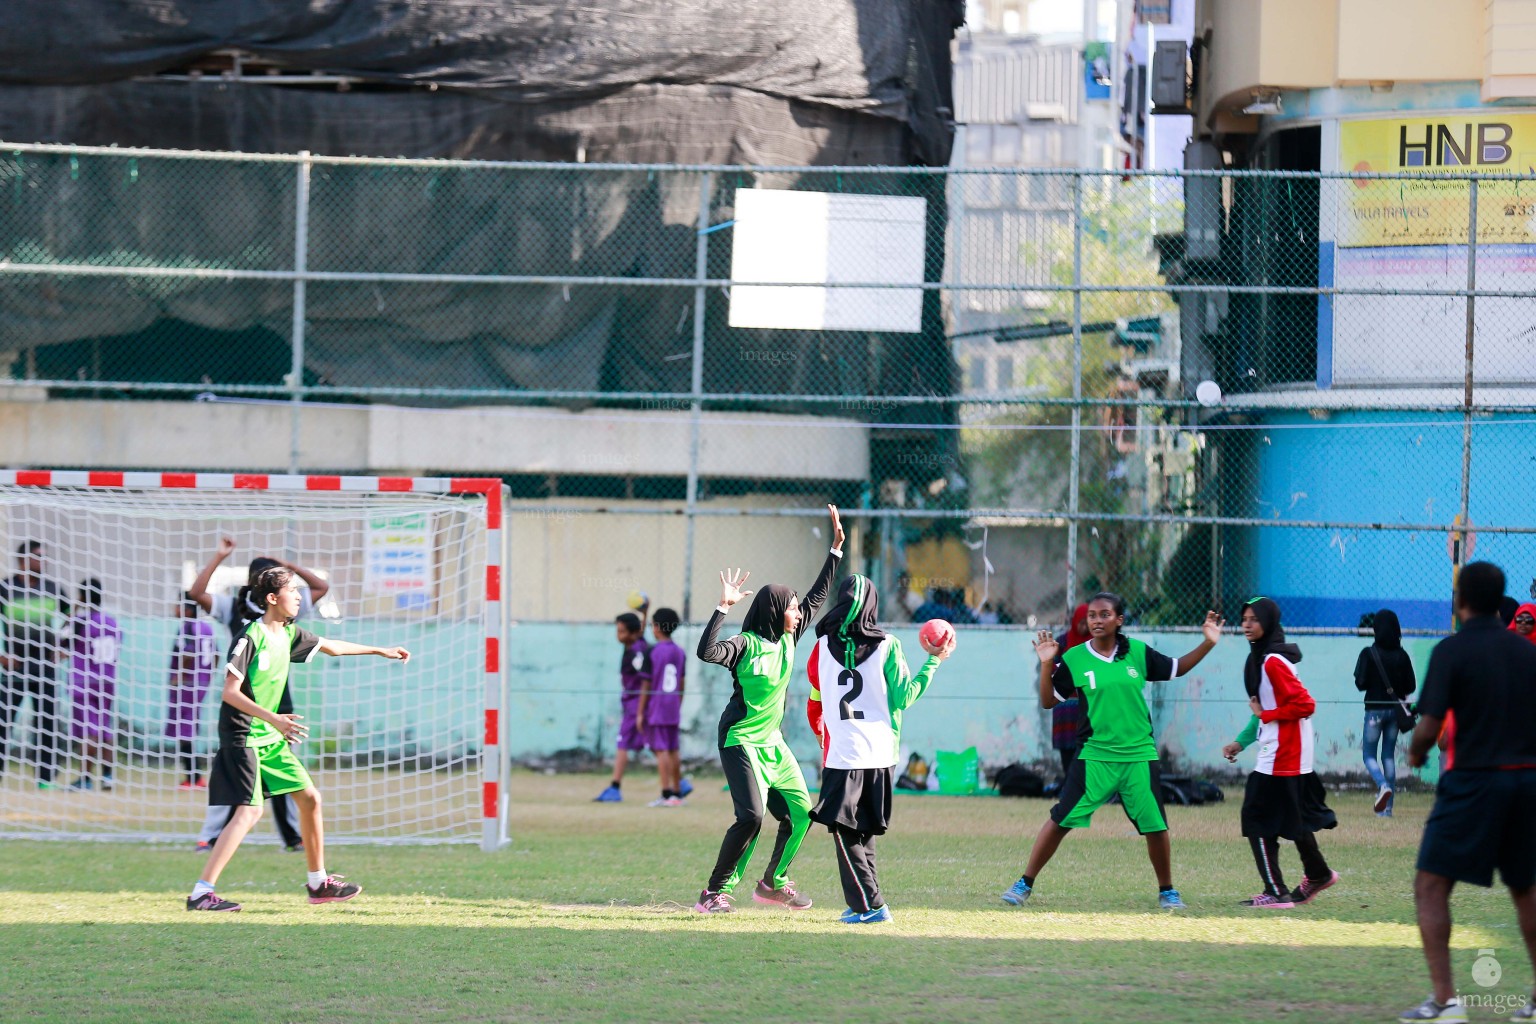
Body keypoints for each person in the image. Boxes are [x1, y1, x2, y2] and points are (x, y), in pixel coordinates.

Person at [187, 566, 411, 912]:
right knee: (249, 812)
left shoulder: (289, 634)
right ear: (273, 599)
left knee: (310, 799)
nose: (298, 597)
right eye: (292, 591)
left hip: (269, 737)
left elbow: (332, 647)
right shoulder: (251, 636)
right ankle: (202, 892)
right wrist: (274, 718)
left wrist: (380, 650)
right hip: (243, 735)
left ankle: (318, 882)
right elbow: (229, 693)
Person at [1004, 593, 1223, 911]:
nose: (1096, 620)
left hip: (1138, 756)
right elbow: (1049, 700)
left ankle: (1167, 891)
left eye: (1105, 614)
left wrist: (1209, 643)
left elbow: (1177, 668)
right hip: (1095, 756)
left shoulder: (1136, 652)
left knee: (1155, 826)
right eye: (1092, 615)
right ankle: (1024, 883)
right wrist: (1047, 662)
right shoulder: (1076, 657)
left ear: (1119, 620)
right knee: (1060, 819)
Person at [1399, 562, 1536, 1023]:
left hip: (1473, 782)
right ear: (1501, 602)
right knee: (1527, 889)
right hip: (1526, 782)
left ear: (1460, 600)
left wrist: (1416, 753)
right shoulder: (1527, 654)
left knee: (1431, 885)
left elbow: (1431, 726)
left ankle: (1445, 1001)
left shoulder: (1451, 652)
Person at [692, 504, 843, 915]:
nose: (799, 612)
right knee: (751, 817)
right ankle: (713, 893)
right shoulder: (745, 645)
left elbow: (817, 596)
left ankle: (773, 883)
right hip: (739, 739)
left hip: (771, 743)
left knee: (800, 813)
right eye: (792, 608)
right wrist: (722, 607)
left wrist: (835, 552)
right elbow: (706, 652)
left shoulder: (788, 638)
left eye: (797, 608)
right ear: (777, 611)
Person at [806, 573, 954, 923]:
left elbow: (817, 689)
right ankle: (864, 902)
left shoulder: (820, 647)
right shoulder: (888, 645)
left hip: (843, 754)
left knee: (842, 829)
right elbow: (904, 697)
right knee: (865, 829)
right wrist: (933, 661)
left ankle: (872, 904)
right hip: (882, 753)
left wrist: (821, 730)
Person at [189, 538, 328, 850]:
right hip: (243, 702)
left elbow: (320, 587)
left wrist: (290, 567)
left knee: (282, 770)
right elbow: (196, 594)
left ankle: (292, 837)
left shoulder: (286, 610)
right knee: (235, 769)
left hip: (278, 700)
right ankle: (210, 836)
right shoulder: (233, 608)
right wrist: (219, 556)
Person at [1221, 597, 1338, 910]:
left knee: (1255, 816)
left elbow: (1304, 705)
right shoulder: (1264, 657)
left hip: (1284, 749)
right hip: (1284, 746)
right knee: (1289, 816)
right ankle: (1318, 874)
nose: (1247, 625)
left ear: (1269, 622)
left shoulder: (1272, 660)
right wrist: (1242, 741)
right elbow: (1265, 708)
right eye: (1244, 619)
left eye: (1254, 620)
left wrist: (1266, 717)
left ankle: (1275, 893)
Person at [0, 541, 70, 789]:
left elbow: (72, 619)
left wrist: (64, 647)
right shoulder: (5, 588)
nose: (44, 560)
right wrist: (2, 655)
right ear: (23, 559)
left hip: (45, 669)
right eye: (39, 556)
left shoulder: (53, 589)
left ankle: (45, 779)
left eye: (45, 556)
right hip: (14, 669)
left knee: (47, 724)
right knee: (3, 721)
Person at [1355, 607, 1417, 816]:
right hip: (1394, 713)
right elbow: (1411, 687)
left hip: (1374, 711)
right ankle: (1387, 811)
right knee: (1388, 757)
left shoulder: (1368, 653)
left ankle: (1383, 785)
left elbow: (1360, 683)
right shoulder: (1402, 655)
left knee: (1368, 755)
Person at [65, 579, 122, 792]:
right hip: (107, 681)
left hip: (84, 683)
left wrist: (73, 610)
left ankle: (85, 778)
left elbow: (61, 643)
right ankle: (107, 777)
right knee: (104, 729)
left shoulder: (80, 622)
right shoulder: (112, 622)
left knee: (89, 731)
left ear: (81, 596)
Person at [594, 604, 650, 803]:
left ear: (632, 633)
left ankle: (614, 787)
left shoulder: (636, 651)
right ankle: (677, 784)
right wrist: (645, 611)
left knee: (623, 743)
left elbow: (645, 678)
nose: (618, 635)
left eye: (621, 631)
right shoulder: (637, 643)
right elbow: (641, 632)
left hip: (636, 703)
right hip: (636, 702)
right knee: (658, 744)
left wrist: (641, 711)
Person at [165, 592, 220, 789]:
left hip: (187, 686)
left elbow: (188, 652)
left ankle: (194, 777)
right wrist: (208, 676)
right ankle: (195, 776)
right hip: (200, 684)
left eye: (177, 605)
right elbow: (216, 654)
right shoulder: (207, 628)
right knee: (189, 729)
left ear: (186, 609)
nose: (175, 609)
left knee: (184, 730)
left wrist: (178, 676)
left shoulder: (187, 627)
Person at [641, 607, 689, 807]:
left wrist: (639, 712)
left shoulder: (652, 651)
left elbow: (646, 684)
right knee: (673, 749)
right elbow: (681, 683)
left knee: (661, 750)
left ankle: (666, 793)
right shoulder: (679, 652)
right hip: (672, 706)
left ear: (657, 627)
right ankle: (677, 792)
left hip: (657, 706)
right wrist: (677, 704)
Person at [1051, 604, 1090, 782]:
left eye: (1086, 623)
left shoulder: (1095, 645)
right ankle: (1070, 788)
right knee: (1067, 750)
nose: (1084, 627)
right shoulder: (1062, 642)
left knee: (1087, 750)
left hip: (1087, 707)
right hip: (1065, 709)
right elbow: (1053, 671)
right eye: (1080, 623)